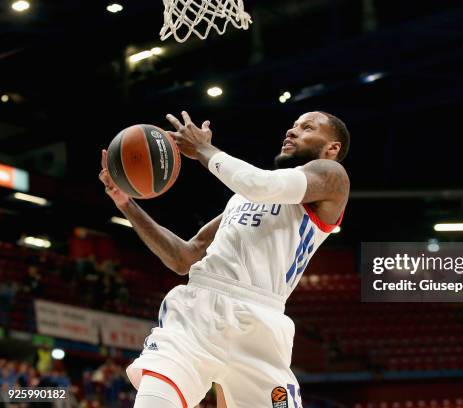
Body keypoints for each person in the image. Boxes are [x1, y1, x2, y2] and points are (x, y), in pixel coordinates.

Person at [98, 110, 350, 408]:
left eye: (306, 127)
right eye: (293, 126)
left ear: (331, 148)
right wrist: (126, 204)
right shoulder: (242, 198)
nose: (292, 132)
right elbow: (184, 257)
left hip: (261, 323)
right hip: (197, 312)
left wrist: (203, 149)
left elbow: (259, 184)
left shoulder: (332, 178)